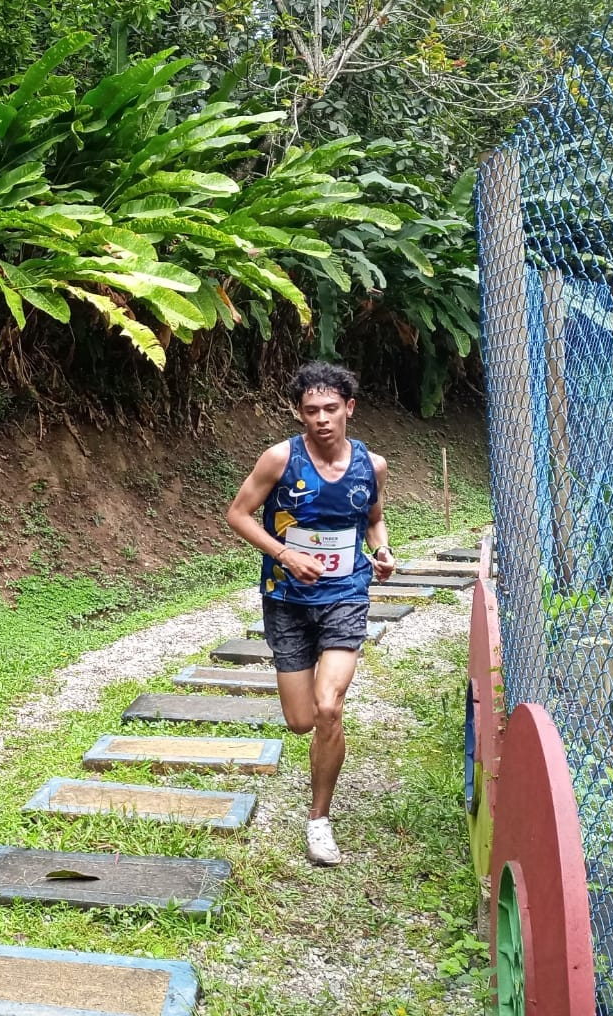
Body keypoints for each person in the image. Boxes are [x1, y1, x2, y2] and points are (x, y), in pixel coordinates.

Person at [225, 361, 394, 867]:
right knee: (301, 721)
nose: (321, 418)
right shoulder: (280, 459)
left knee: (328, 707)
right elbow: (237, 514)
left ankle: (319, 819)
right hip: (287, 600)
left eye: (330, 408)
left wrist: (382, 551)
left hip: (346, 593)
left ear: (349, 408)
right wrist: (285, 554)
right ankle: (320, 749)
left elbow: (374, 519)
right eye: (311, 410)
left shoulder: (372, 465)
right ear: (299, 413)